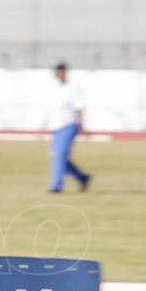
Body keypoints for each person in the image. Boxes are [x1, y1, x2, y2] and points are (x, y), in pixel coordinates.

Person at [46, 62, 92, 193]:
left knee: (59, 156)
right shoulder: (54, 89)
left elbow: (79, 108)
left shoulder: (72, 89)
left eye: (61, 72)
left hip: (69, 125)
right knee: (58, 157)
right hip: (55, 127)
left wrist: (82, 125)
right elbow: (51, 109)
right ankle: (82, 178)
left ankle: (56, 186)